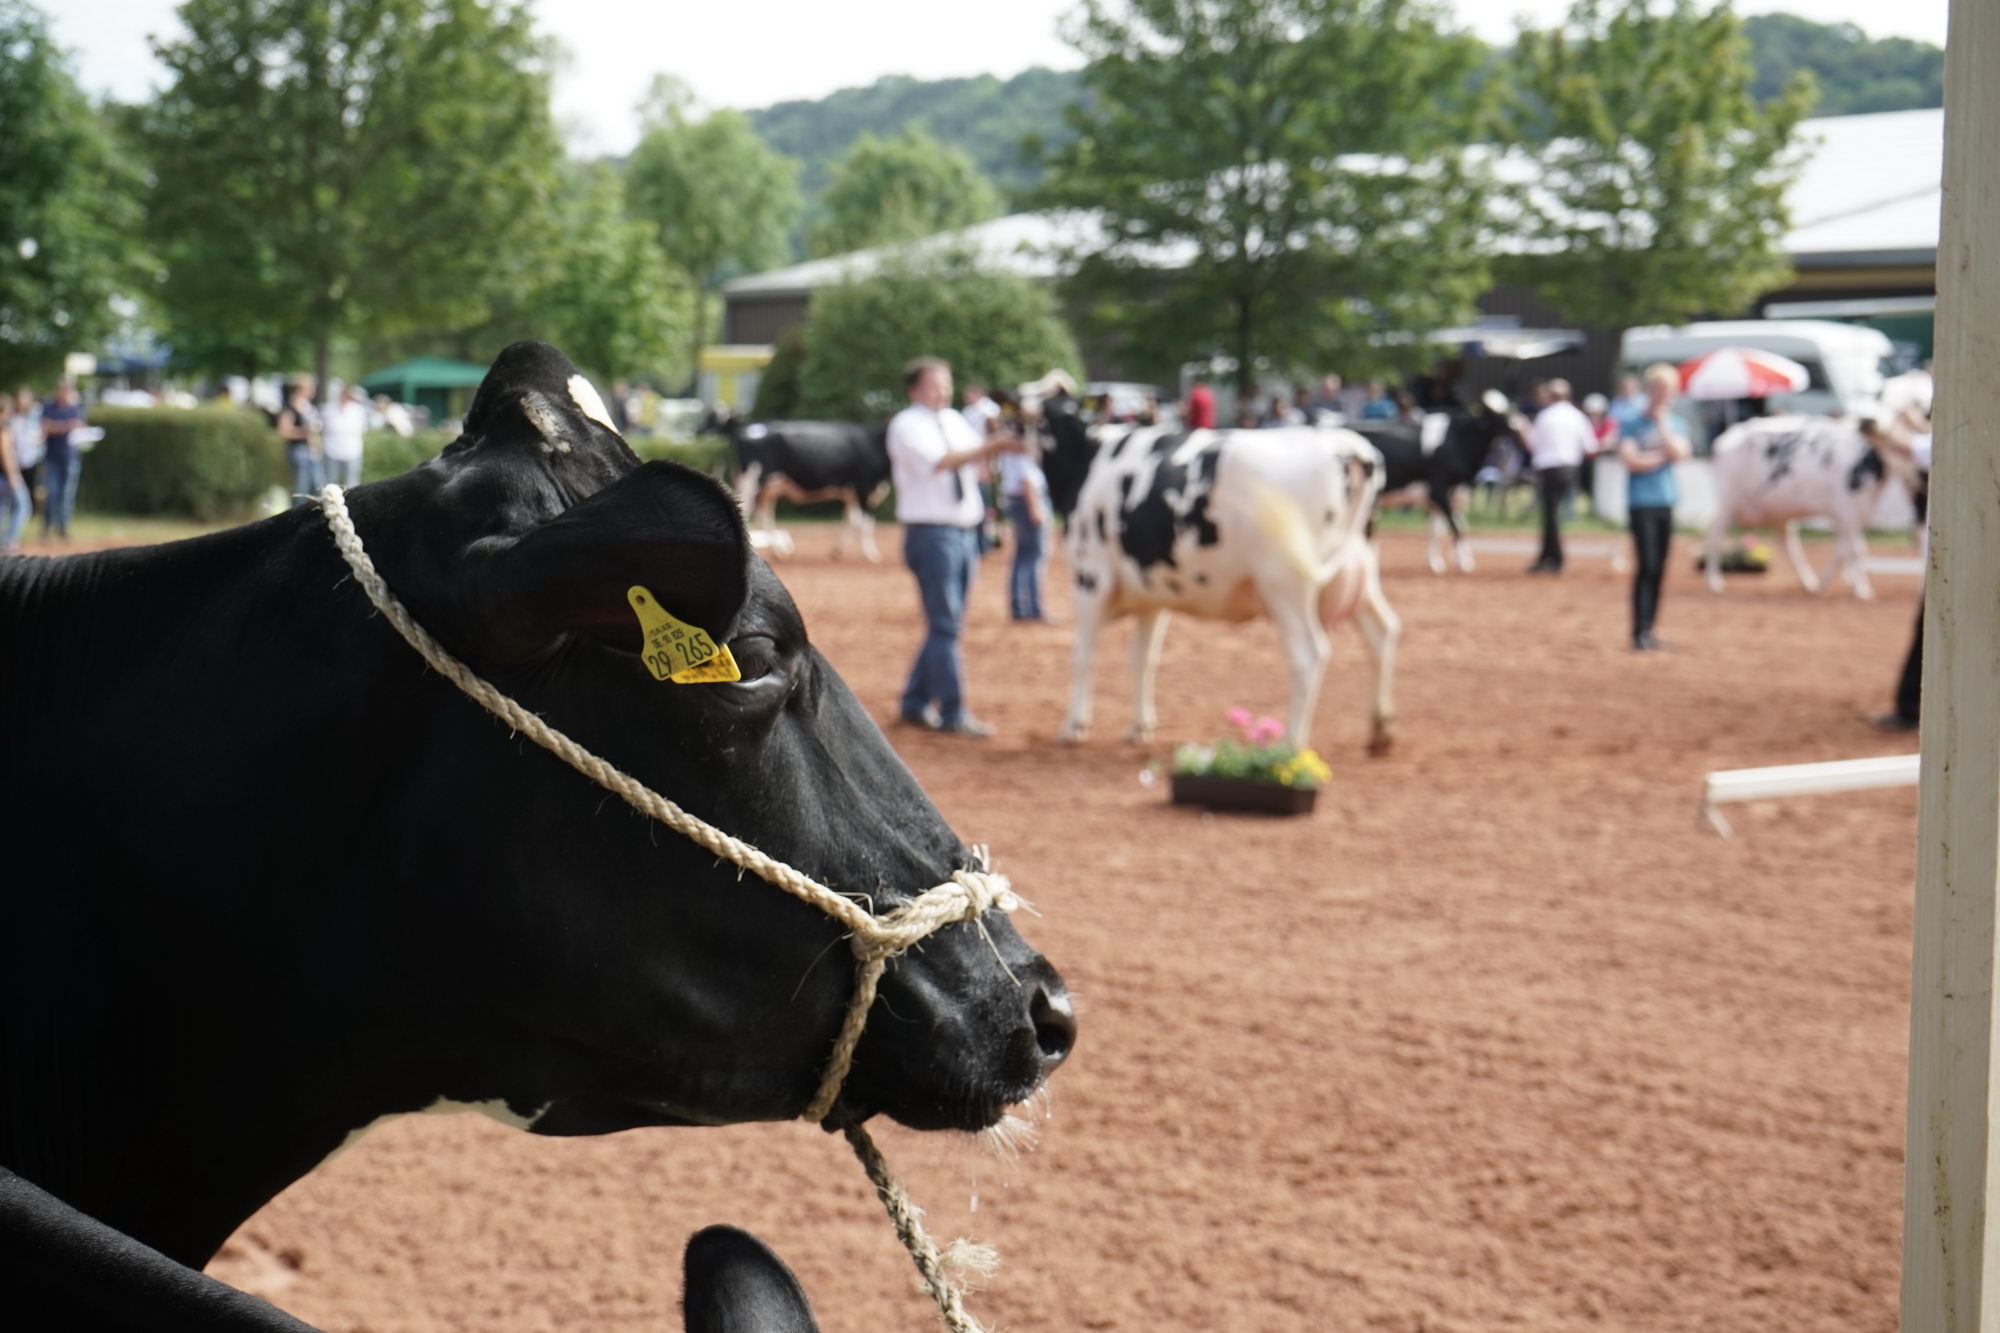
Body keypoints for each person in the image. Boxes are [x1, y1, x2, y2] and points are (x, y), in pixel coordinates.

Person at [888, 356, 1023, 738]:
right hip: (932, 533)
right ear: (914, 389)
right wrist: (991, 445)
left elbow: (977, 464)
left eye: (946, 384)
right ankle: (952, 711)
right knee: (946, 625)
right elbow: (942, 462)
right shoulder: (907, 424)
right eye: (934, 385)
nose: (943, 391)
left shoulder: (953, 421)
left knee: (945, 625)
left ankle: (915, 703)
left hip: (964, 531)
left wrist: (1004, 445)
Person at [1618, 365, 1692, 651]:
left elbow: (1680, 453)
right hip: (1641, 503)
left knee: (1660, 568)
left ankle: (1650, 629)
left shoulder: (1675, 423)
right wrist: (1663, 457)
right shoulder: (1630, 421)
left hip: (1666, 500)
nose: (1664, 397)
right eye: (1659, 391)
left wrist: (1662, 428)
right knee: (1646, 565)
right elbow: (1630, 461)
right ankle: (1638, 631)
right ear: (1649, 391)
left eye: (1669, 391)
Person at [1524, 379, 1593, 573]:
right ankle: (1548, 556)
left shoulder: (1545, 416)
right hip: (1570, 469)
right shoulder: (1578, 416)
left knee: (1550, 515)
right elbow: (1590, 446)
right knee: (1554, 515)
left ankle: (1554, 558)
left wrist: (1523, 429)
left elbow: (1532, 444)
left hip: (1549, 470)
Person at [994, 393, 1052, 623]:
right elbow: (1027, 477)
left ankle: (1022, 606)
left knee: (1023, 555)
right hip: (1027, 498)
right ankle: (1031, 608)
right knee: (1033, 555)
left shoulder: (1009, 439)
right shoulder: (1019, 442)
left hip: (1018, 498)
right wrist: (1035, 506)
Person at [39, 380, 86, 540]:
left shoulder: (75, 409)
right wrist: (67, 426)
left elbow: (80, 431)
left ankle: (63, 528)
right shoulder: (48, 407)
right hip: (52, 458)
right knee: (52, 493)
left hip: (71, 458)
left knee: (67, 495)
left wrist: (57, 426)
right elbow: (45, 428)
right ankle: (46, 527)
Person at [276, 377, 322, 503]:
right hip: (299, 451)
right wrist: (305, 432)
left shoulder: (308, 408)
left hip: (312, 452)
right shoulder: (291, 407)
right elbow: (283, 431)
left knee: (317, 487)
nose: (312, 392)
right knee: (302, 489)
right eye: (309, 389)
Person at [321, 383, 368, 488]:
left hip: (352, 451)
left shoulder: (358, 410)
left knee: (351, 483)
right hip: (332, 451)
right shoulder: (328, 409)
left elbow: (362, 429)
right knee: (330, 484)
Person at [8, 387, 37, 541]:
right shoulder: (8, 423)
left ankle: (9, 539)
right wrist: (12, 472)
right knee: (22, 506)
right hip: (11, 468)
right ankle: (9, 541)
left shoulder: (32, 419)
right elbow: (7, 450)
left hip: (27, 464)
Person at [0, 397, 22, 554]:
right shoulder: (3, 430)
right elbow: (6, 455)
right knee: (22, 505)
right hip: (4, 476)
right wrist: (13, 476)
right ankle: (9, 541)